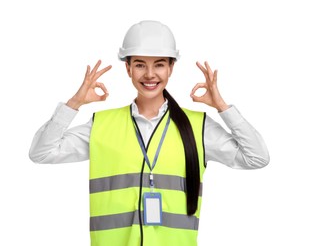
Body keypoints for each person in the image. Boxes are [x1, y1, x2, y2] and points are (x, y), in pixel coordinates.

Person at [29, 20, 270, 246]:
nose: (150, 74)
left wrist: (223, 107)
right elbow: (41, 153)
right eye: (140, 65)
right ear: (128, 68)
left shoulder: (198, 127)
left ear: (171, 68)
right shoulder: (102, 125)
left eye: (159, 64)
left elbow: (257, 157)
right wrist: (74, 103)